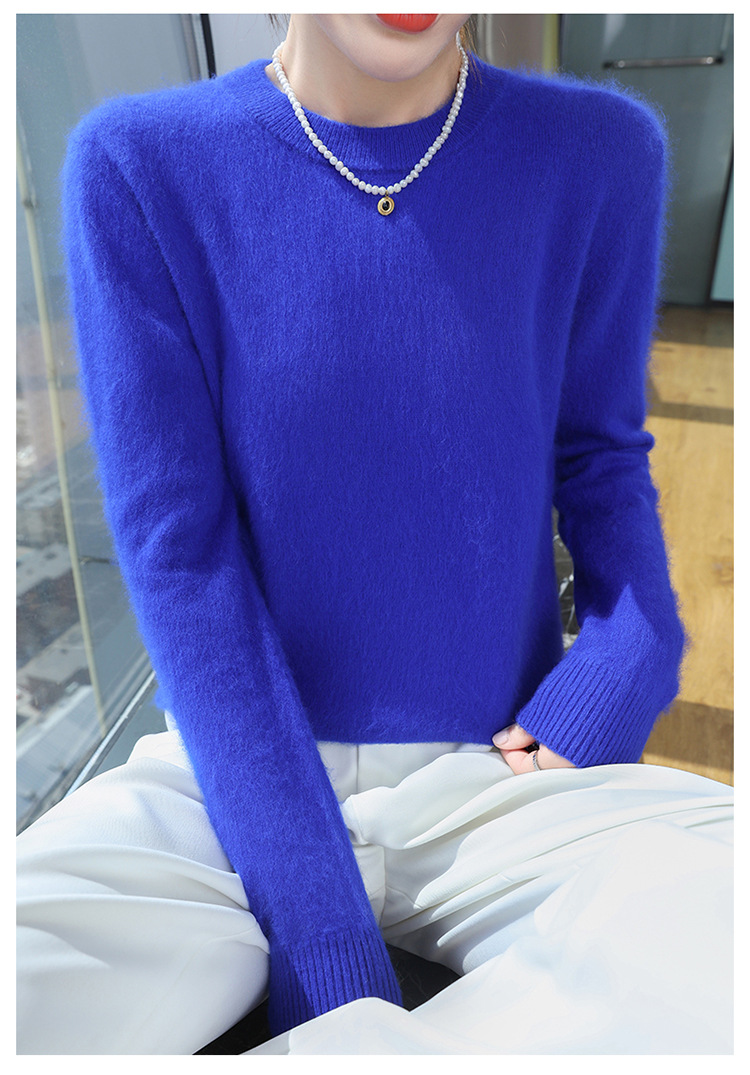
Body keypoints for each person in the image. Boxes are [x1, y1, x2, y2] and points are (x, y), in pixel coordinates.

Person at [17, 14, 733, 1055]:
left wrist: (633, 651)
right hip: (227, 778)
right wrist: (320, 929)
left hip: (498, 772)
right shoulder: (137, 163)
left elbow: (601, 452)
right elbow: (179, 552)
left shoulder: (599, 149)